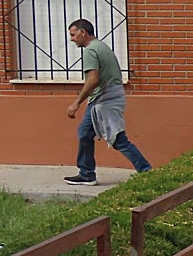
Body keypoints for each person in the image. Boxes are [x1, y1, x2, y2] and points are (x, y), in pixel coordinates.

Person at [63, 19, 152, 185]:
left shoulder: (90, 50)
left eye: (73, 35)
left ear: (83, 32)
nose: (72, 39)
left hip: (105, 100)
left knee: (118, 139)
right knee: (85, 133)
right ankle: (86, 173)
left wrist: (76, 103)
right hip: (104, 99)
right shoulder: (101, 46)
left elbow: (92, 80)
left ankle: (146, 171)